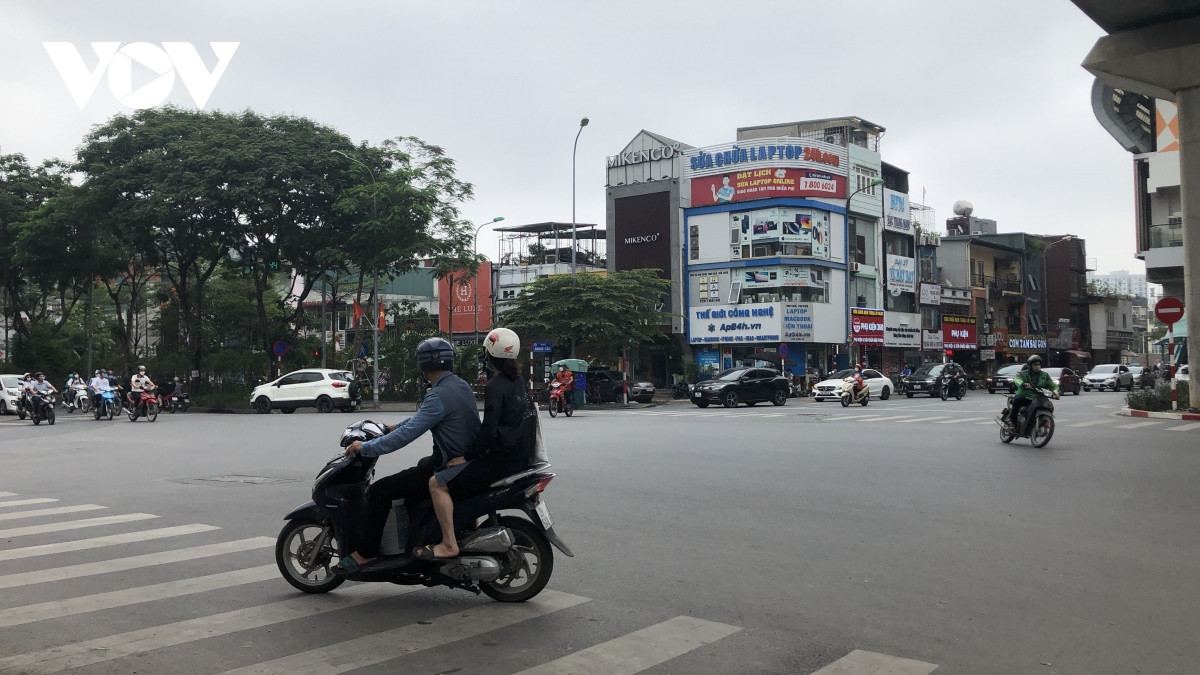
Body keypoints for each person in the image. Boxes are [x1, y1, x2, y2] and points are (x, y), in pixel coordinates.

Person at [335, 337, 481, 573]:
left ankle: (367, 554)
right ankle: (418, 535)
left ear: (423, 366)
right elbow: (421, 418)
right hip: (461, 460)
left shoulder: (438, 394)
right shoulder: (459, 385)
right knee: (421, 467)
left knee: (380, 491)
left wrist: (366, 447)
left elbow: (407, 436)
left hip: (451, 465)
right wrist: (393, 426)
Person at [416, 327, 539, 561]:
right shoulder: (519, 382)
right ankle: (467, 528)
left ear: (488, 355)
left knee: (437, 483)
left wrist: (467, 456)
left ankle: (449, 544)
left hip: (500, 462)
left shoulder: (495, 386)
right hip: (520, 460)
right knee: (459, 481)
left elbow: (489, 431)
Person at [1008, 355, 1059, 430]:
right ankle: (1012, 421)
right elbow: (1017, 379)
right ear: (1030, 365)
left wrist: (1055, 390)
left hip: (1038, 397)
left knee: (1048, 405)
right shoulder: (1023, 373)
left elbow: (1052, 384)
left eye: (1038, 364)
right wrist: (1023, 383)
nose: (1037, 366)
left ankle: (1043, 420)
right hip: (1025, 396)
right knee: (1018, 399)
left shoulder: (1044, 375)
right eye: (1035, 364)